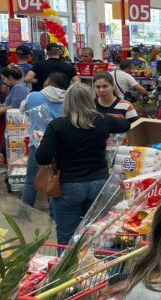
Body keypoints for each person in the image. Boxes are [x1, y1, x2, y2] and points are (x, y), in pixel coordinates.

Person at [36, 84, 132, 244]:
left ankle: (67, 268)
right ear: (91, 100)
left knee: (66, 234)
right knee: (97, 234)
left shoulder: (57, 125)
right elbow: (126, 124)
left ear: (66, 102)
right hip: (99, 184)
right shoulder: (103, 121)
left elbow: (42, 158)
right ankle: (94, 267)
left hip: (68, 185)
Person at [20, 72, 68, 209]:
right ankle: (54, 212)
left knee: (31, 182)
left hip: (38, 145)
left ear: (48, 81)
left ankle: (24, 213)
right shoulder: (69, 98)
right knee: (57, 180)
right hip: (62, 147)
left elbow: (23, 110)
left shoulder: (34, 96)